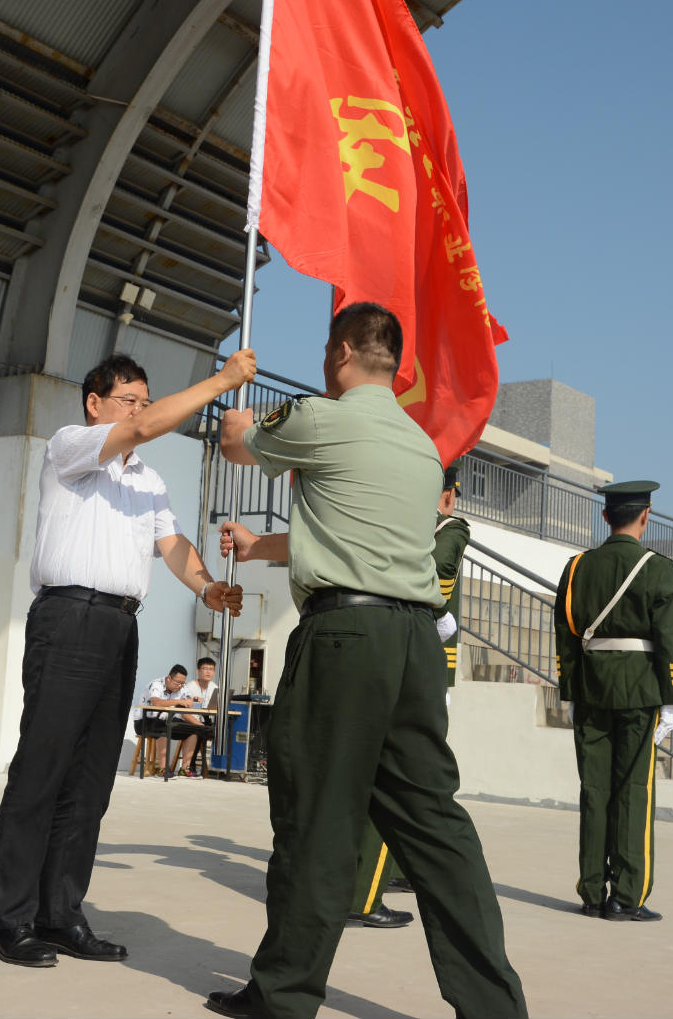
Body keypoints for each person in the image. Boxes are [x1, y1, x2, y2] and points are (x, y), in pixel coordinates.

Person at [206, 303, 526, 1019]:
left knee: (316, 817)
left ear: (345, 351)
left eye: (328, 350)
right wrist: (263, 548)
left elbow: (237, 444)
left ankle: (284, 994)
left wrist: (233, 395)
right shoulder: (419, 448)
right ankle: (495, 1006)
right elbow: (354, 533)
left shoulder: (322, 419)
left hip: (343, 641)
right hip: (413, 645)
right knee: (434, 826)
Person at [0, 349, 255, 969]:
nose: (140, 411)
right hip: (68, 616)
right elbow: (138, 429)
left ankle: (61, 914)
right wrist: (221, 381)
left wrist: (208, 587)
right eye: (129, 400)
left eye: (144, 399)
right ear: (95, 403)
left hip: (118, 626)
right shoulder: (72, 446)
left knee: (90, 782)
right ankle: (11, 919)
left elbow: (172, 543)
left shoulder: (148, 480)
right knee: (42, 770)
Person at [553, 480, 673, 923]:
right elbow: (667, 641)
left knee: (594, 791)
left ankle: (591, 891)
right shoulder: (657, 568)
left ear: (605, 517)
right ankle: (627, 896)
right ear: (645, 516)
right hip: (640, 692)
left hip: (590, 689)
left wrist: (568, 691)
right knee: (633, 792)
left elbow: (566, 639)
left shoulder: (576, 568)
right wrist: (672, 700)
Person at [347, 463, 471, 928]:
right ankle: (364, 892)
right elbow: (437, 586)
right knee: (401, 775)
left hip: (378, 645)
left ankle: (390, 870)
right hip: (420, 659)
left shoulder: (391, 521)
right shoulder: (450, 528)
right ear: (448, 494)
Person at [132, 664, 193, 774]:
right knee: (163, 729)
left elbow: (189, 702)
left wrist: (194, 701)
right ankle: (163, 769)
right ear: (169, 678)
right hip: (145, 721)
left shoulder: (183, 688)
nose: (180, 686)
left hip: (165, 720)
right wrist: (178, 701)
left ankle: (185, 769)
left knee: (192, 731)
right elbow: (157, 702)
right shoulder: (156, 684)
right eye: (178, 682)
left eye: (183, 683)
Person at [172, 657, 220, 775]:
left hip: (204, 719)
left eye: (211, 669)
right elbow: (183, 713)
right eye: (205, 668)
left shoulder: (215, 688)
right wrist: (199, 724)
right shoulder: (189, 687)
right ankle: (189, 766)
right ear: (198, 671)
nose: (208, 672)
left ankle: (218, 767)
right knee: (198, 730)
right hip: (186, 719)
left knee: (223, 731)